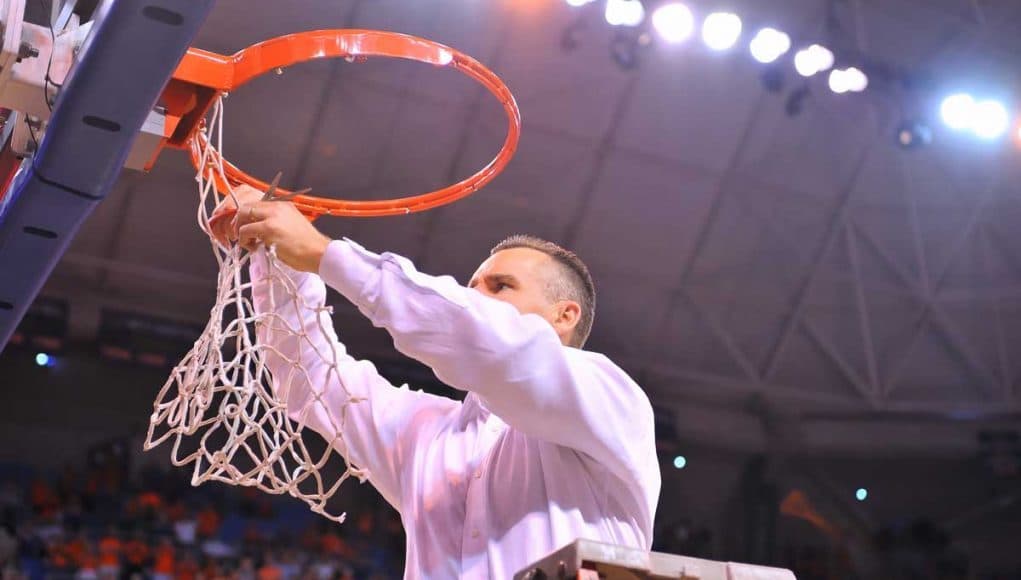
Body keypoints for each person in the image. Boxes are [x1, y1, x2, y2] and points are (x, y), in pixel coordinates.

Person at [209, 185, 661, 579]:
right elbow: (308, 375)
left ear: (565, 316)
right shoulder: (429, 432)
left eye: (500, 286)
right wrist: (277, 254)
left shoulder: (613, 399)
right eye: (472, 285)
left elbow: (495, 345)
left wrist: (324, 254)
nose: (474, 297)